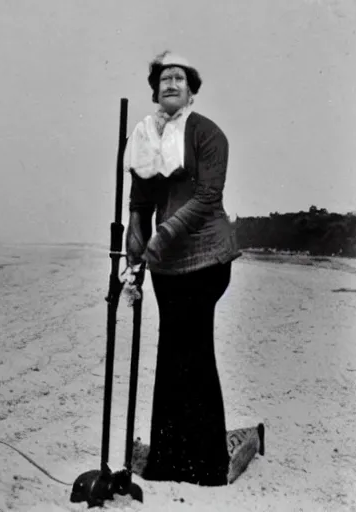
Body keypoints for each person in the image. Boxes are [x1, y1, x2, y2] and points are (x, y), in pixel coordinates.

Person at [123, 51, 241, 486]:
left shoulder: (208, 133)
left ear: (191, 89)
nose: (171, 84)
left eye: (180, 78)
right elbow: (139, 204)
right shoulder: (145, 136)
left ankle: (207, 465)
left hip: (207, 258)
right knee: (171, 352)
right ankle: (168, 460)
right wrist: (133, 250)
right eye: (164, 79)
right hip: (165, 266)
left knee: (193, 351)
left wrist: (164, 233)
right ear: (155, 90)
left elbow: (208, 196)